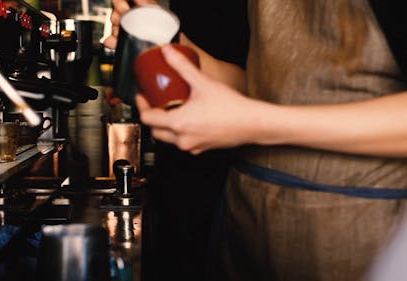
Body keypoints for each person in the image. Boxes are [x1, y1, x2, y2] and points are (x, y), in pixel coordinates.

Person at [129, 1, 407, 281]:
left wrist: (257, 124)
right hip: (250, 223)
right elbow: (273, 88)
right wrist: (175, 49)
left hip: (365, 231)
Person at [104, 1, 249, 281]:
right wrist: (162, 39)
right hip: (176, 174)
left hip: (234, 180)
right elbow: (246, 80)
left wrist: (259, 123)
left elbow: (268, 86)